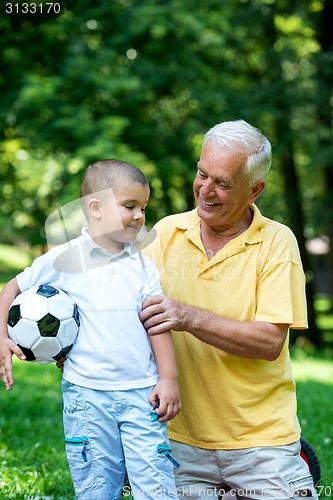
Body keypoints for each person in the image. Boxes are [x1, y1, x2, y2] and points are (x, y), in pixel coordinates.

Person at [139, 120, 318, 500]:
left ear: (255, 190)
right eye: (202, 174)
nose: (205, 190)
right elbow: (125, 311)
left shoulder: (276, 243)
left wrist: (188, 316)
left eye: (222, 183)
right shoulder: (166, 233)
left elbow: (270, 341)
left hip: (261, 442)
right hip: (177, 439)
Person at [0, 159, 181, 499]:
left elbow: (158, 325)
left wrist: (168, 379)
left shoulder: (142, 266)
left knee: (156, 484)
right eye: (130, 206)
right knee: (96, 486)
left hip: (142, 394)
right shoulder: (62, 260)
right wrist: (1, 337)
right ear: (95, 208)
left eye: (143, 207)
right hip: (86, 395)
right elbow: (10, 290)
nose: (140, 216)